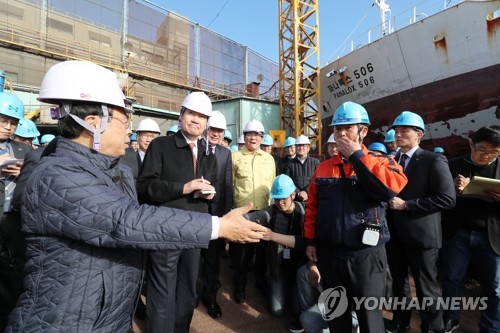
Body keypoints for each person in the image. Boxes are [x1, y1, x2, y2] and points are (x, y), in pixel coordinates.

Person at [4, 60, 266, 333]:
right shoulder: (58, 175)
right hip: (69, 321)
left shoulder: (109, 169)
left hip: (102, 315)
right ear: (93, 123)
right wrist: (219, 225)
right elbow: (126, 219)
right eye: (123, 120)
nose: (130, 130)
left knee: (186, 292)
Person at [304, 101, 408, 333]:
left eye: (348, 128)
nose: (341, 133)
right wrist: (310, 241)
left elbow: (389, 190)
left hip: (366, 258)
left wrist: (357, 157)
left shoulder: (383, 161)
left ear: (363, 131)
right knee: (336, 318)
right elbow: (312, 208)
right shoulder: (322, 169)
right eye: (337, 129)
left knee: (370, 321)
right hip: (331, 257)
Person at [137, 91, 218, 333]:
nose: (196, 120)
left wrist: (212, 194)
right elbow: (145, 186)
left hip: (195, 231)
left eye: (202, 116)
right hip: (166, 229)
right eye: (192, 113)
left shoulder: (208, 155)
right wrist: (184, 188)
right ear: (181, 115)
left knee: (187, 291)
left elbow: (215, 188)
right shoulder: (161, 146)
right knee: (162, 293)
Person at [386, 111, 456, 333]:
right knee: (399, 283)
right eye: (396, 130)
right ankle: (400, 322)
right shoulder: (392, 160)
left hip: (422, 236)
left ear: (419, 134)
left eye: (404, 130)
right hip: (395, 235)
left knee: (427, 288)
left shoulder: (433, 160)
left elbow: (447, 198)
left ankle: (432, 327)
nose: (398, 134)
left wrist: (407, 205)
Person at [441, 125, 500, 333]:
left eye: (494, 152)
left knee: (494, 285)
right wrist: (453, 189)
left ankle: (491, 326)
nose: (487, 156)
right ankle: (451, 317)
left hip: (492, 235)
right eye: (482, 150)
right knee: (452, 278)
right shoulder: (454, 165)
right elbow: (440, 198)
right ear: (471, 144)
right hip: (458, 232)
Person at [246, 174, 306, 318]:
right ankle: (273, 283)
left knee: (296, 310)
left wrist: (273, 236)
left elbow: (303, 242)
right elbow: (259, 216)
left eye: (283, 199)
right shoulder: (273, 210)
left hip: (297, 267)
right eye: (277, 199)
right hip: (278, 267)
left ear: (293, 195)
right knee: (277, 310)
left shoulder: (304, 212)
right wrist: (243, 219)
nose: (280, 203)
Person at [231, 119, 276, 304]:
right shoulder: (235, 157)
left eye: (257, 135)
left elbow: (272, 185)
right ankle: (239, 287)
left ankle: (260, 282)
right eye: (250, 134)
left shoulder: (269, 159)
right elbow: (230, 184)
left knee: (262, 252)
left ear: (262, 138)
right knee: (243, 253)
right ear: (245, 136)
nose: (253, 138)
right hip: (244, 213)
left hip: (265, 212)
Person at [0, 90, 32, 331]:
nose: (9, 127)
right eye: (3, 121)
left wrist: (25, 173)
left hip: (13, 224)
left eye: (13, 123)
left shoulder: (23, 152)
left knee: (12, 280)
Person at [199, 110, 234, 319]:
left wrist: (226, 215)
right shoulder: (193, 148)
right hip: (195, 212)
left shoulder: (225, 154)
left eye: (220, 131)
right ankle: (189, 295)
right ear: (206, 128)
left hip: (216, 215)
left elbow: (227, 185)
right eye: (213, 129)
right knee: (192, 260)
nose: (216, 134)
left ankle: (210, 298)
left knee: (212, 260)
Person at [283, 135, 319, 202]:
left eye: (304, 146)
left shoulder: (315, 162)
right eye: (299, 146)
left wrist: (306, 192)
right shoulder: (289, 164)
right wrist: (298, 192)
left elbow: (317, 179)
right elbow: (288, 181)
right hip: (295, 199)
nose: (301, 148)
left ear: (308, 148)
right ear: (296, 148)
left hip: (312, 198)